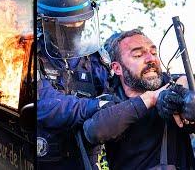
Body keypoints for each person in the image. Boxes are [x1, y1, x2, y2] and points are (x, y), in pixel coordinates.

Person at [83, 29, 195, 169]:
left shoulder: (175, 86)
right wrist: (152, 98)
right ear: (117, 68)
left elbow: (184, 84)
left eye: (154, 53)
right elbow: (95, 131)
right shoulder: (109, 98)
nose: (151, 59)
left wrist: (188, 97)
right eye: (138, 55)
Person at [37, 0, 113, 169]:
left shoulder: (97, 59)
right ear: (45, 23)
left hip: (87, 159)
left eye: (81, 22)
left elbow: (117, 93)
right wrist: (95, 106)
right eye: (69, 25)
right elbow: (45, 105)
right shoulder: (33, 56)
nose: (76, 27)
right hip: (46, 159)